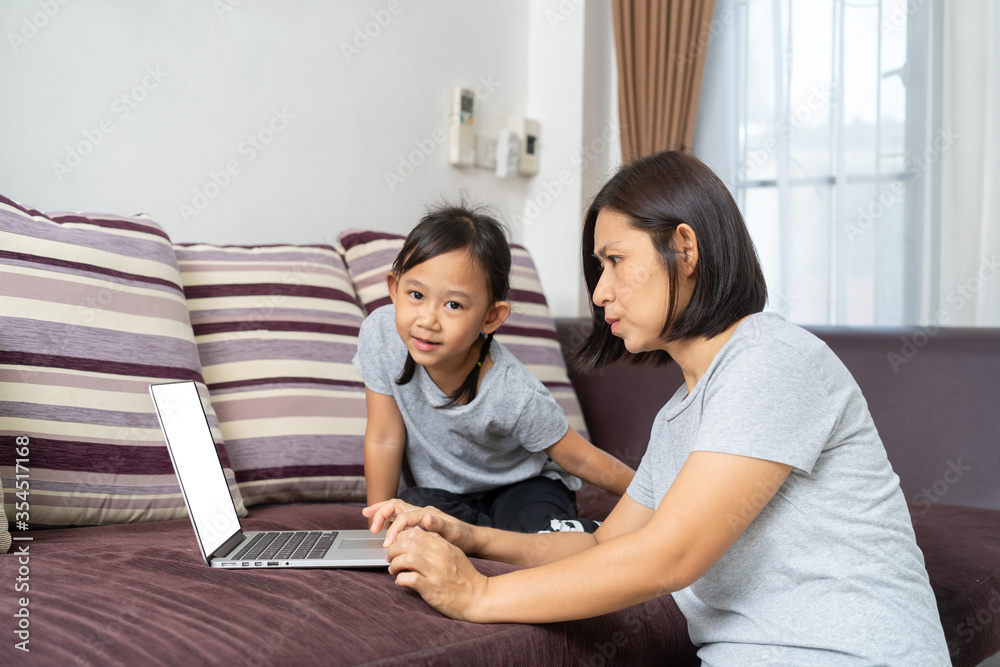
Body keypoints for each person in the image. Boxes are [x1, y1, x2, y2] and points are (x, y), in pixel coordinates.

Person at [363, 152, 951, 665]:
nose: (599, 292)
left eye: (614, 261)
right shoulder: (680, 418)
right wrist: (468, 536)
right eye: (598, 269)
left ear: (684, 247)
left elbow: (671, 555)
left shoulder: (771, 358)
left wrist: (479, 596)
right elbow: (602, 545)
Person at [353, 202, 635, 535]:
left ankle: (573, 533)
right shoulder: (380, 336)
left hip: (521, 487)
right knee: (413, 515)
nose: (427, 320)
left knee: (539, 532)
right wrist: (378, 526)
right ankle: (489, 537)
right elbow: (384, 437)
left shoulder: (514, 392)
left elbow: (581, 458)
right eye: (415, 294)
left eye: (453, 304)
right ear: (394, 289)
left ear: (491, 317)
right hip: (442, 497)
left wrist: (659, 497)